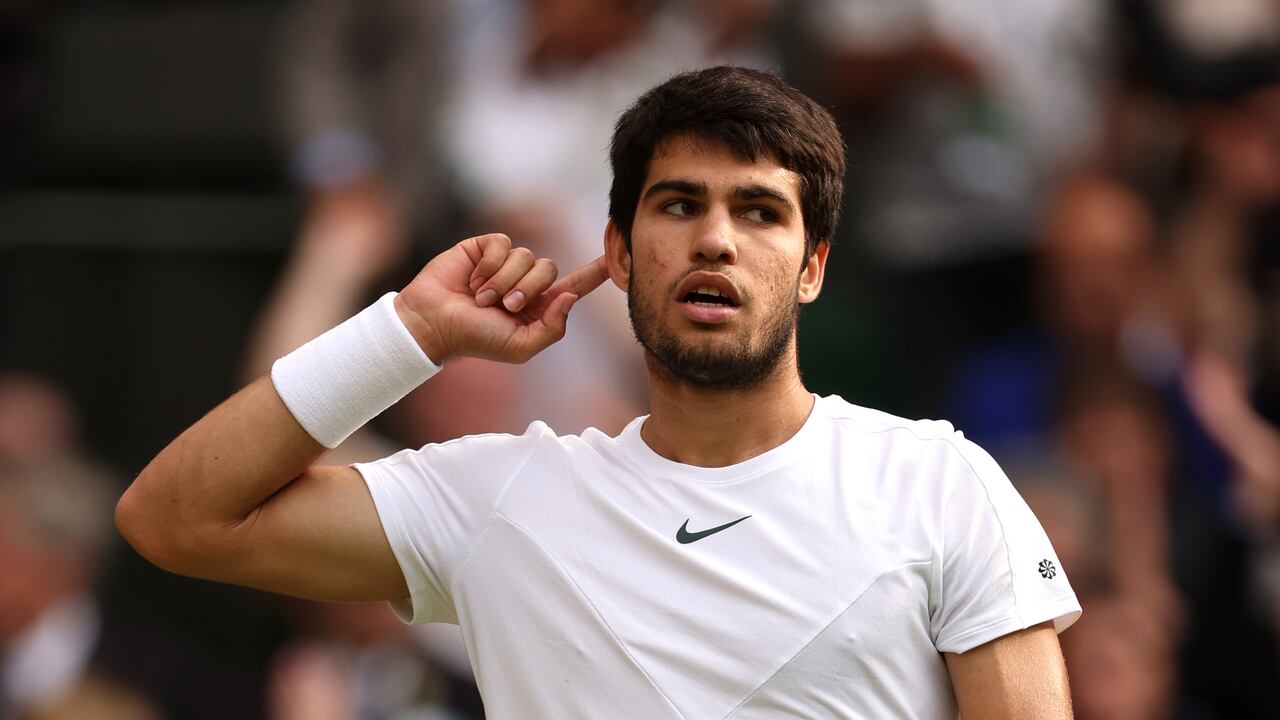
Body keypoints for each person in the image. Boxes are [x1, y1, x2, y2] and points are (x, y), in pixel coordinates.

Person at [116, 67, 1080, 718]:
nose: (715, 239)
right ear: (617, 253)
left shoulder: (942, 482)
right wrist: (406, 333)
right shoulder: (496, 499)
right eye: (678, 204)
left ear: (814, 265)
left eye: (759, 212)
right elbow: (176, 518)